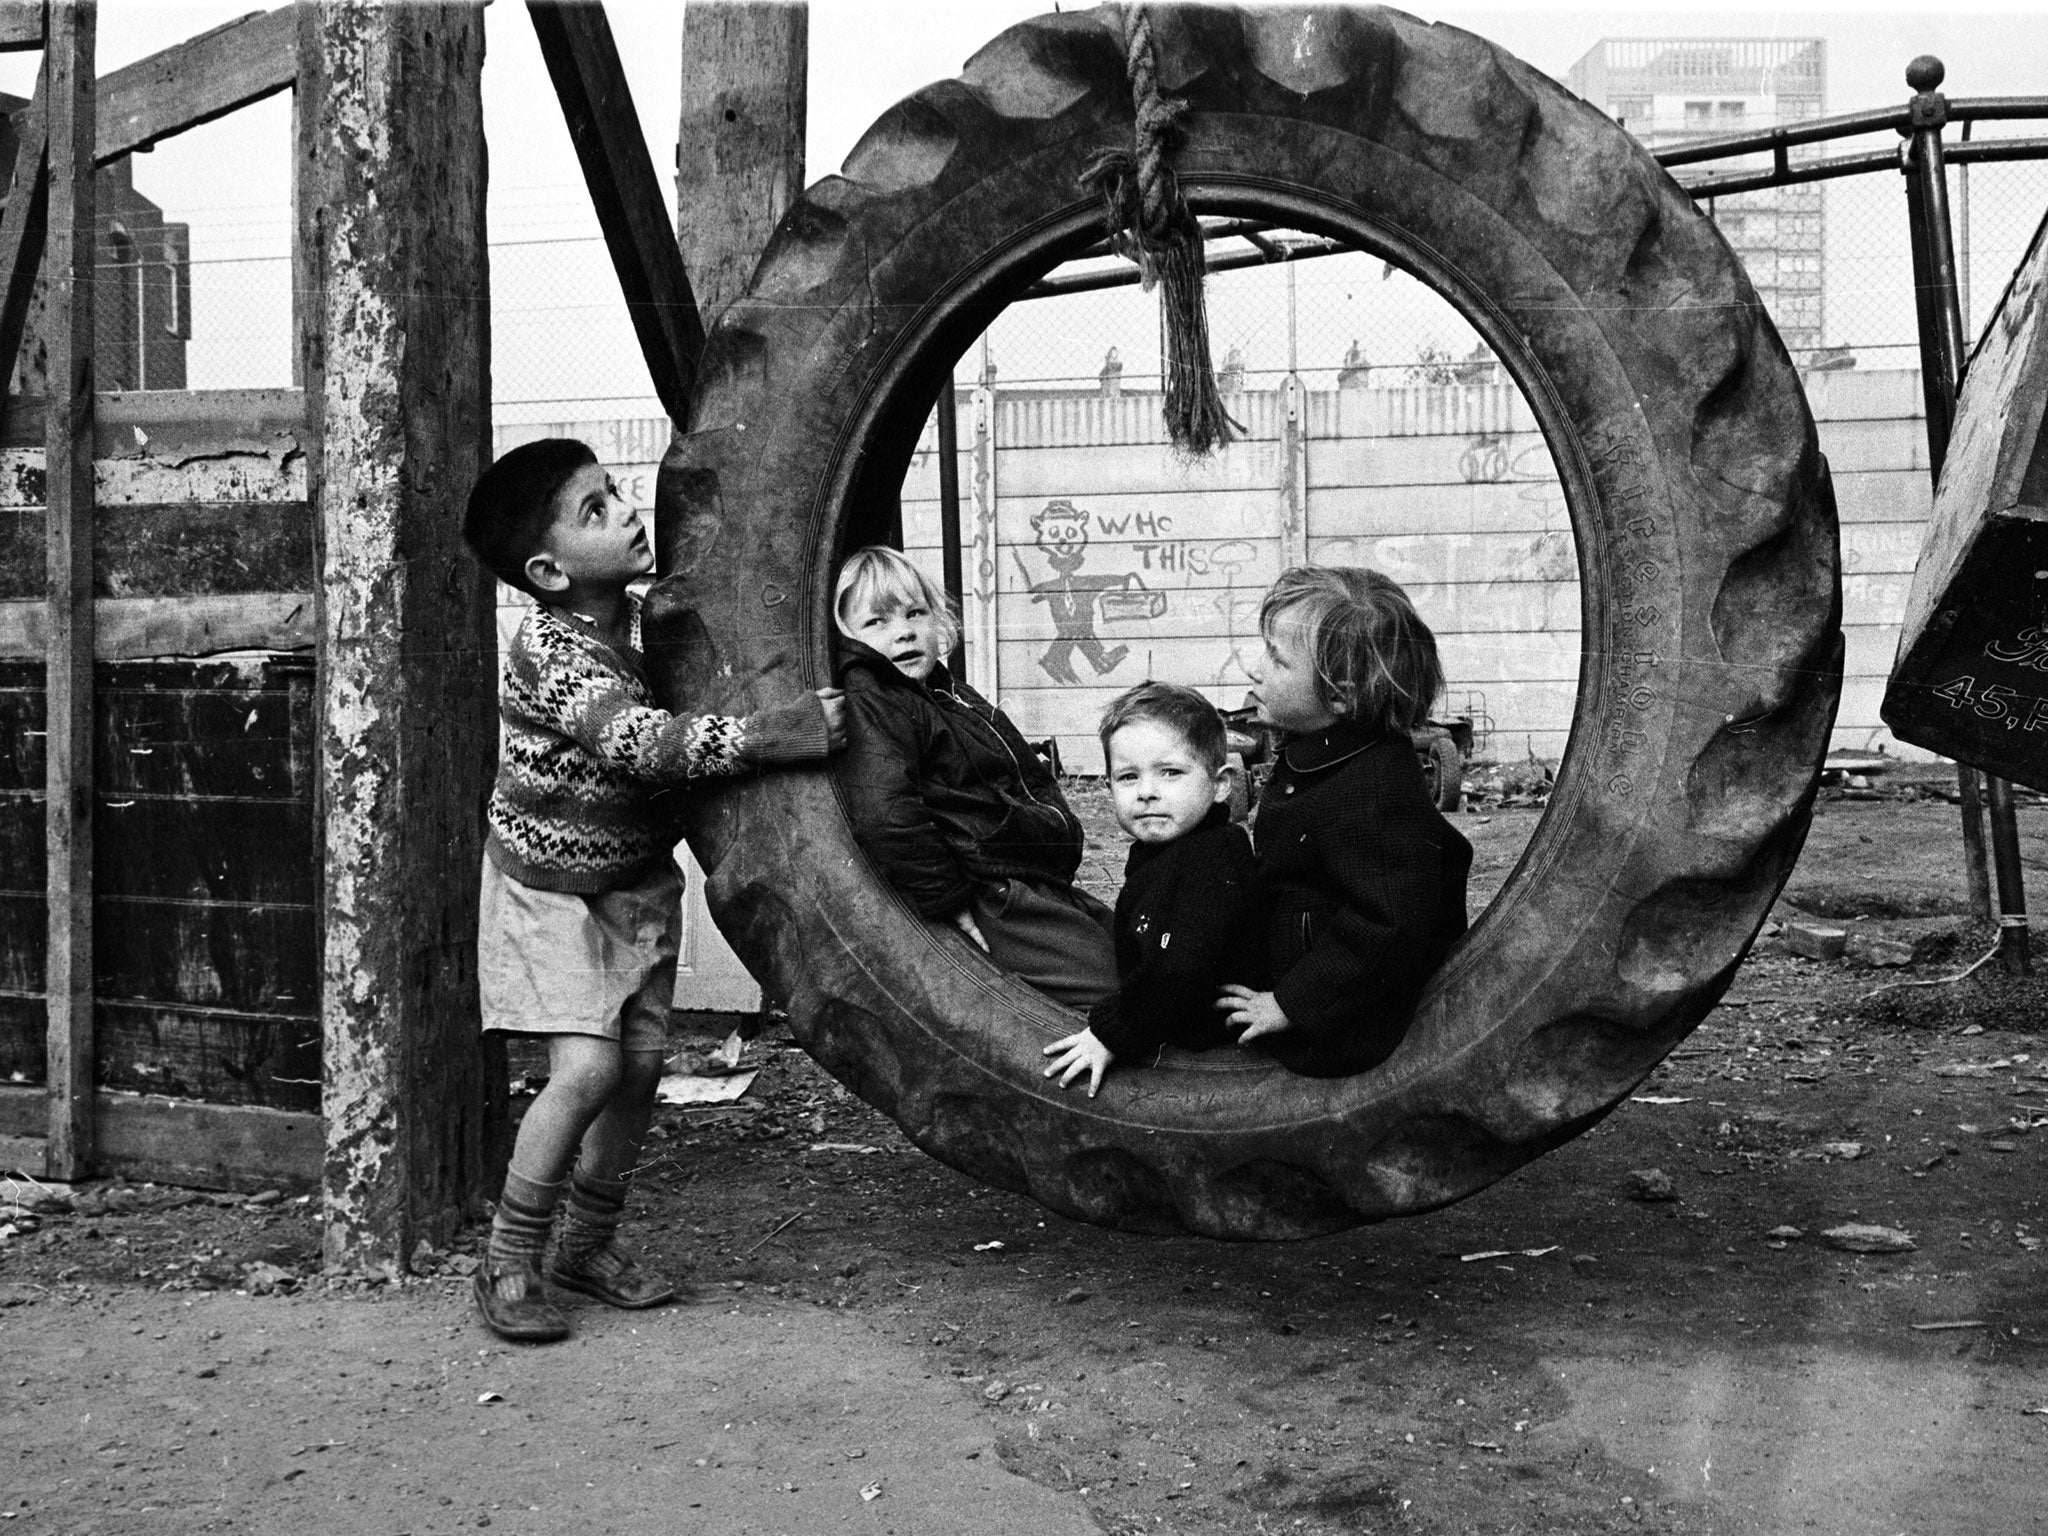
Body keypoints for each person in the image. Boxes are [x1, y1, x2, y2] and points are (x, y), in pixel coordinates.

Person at [462, 437, 846, 1343]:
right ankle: (510, 1258)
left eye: (616, 491)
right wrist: (766, 735)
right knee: (587, 1068)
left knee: (637, 1074)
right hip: (550, 888)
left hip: (633, 882)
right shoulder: (554, 653)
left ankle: (585, 1248)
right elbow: (640, 743)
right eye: (596, 509)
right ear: (549, 571)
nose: (629, 511)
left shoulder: (639, 623)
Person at [833, 545, 1117, 1010]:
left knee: (1130, 953)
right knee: (1109, 988)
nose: (903, 632)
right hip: (988, 891)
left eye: (914, 613)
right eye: (877, 622)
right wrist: (948, 901)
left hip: (1024, 876)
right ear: (849, 637)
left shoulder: (943, 691)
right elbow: (887, 813)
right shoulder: (878, 700)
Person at [1215, 566, 1471, 1076]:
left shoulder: (1374, 791)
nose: (1253, 668)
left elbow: (1388, 924)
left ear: (1341, 696)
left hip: (1338, 1025)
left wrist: (1290, 1005)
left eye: (1277, 659)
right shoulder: (1327, 755)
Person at [1042, 683, 1255, 1097]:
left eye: (1170, 772)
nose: (1146, 791)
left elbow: (1180, 969)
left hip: (1213, 1051)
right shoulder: (1166, 850)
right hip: (1177, 1022)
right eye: (1128, 777)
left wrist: (1111, 1033)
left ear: (1221, 784)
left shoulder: (1214, 860)